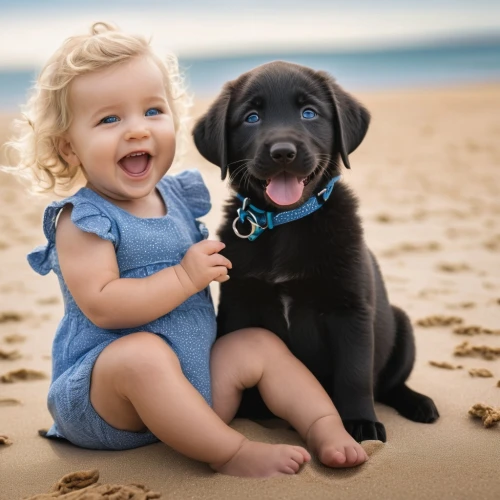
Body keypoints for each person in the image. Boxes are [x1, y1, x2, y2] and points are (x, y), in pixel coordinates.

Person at [2, 22, 368, 477]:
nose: (137, 130)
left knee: (258, 343)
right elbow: (102, 306)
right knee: (142, 355)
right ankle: (231, 452)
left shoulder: (176, 197)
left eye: (152, 111)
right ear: (69, 148)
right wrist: (183, 278)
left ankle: (323, 425)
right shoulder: (83, 220)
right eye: (110, 119)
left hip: (193, 385)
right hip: (110, 406)